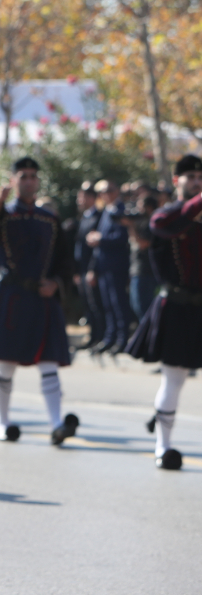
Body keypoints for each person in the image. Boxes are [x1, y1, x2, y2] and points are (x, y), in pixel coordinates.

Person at [0, 157, 79, 444]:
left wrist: (56, 284)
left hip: (41, 297)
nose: (28, 180)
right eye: (23, 176)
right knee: (7, 364)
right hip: (10, 296)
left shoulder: (49, 219)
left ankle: (56, 424)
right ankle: (2, 423)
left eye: (33, 176)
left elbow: (65, 262)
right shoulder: (2, 213)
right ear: (13, 180)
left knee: (48, 362)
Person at [125, 154, 202, 470]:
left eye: (201, 177)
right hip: (176, 306)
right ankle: (163, 446)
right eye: (190, 177)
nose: (196, 182)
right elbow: (168, 224)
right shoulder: (166, 216)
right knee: (174, 379)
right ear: (176, 181)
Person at [85, 180, 134, 356]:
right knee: (107, 305)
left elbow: (122, 239)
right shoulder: (106, 210)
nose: (106, 194)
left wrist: (101, 239)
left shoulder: (121, 210)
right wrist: (94, 269)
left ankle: (122, 340)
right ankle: (110, 338)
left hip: (117, 266)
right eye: (103, 192)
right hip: (104, 266)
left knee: (118, 304)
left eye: (110, 190)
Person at [69, 182, 103, 347]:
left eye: (82, 196)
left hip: (91, 269)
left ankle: (100, 337)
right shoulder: (85, 216)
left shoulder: (98, 216)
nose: (79, 200)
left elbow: (95, 249)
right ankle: (93, 337)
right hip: (81, 269)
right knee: (88, 305)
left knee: (97, 305)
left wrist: (92, 269)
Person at [127, 195, 158, 320]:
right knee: (137, 305)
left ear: (149, 207)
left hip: (146, 271)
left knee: (143, 306)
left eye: (140, 205)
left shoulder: (152, 223)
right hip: (138, 270)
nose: (137, 209)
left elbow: (143, 244)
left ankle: (149, 336)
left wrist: (131, 226)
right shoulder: (142, 222)